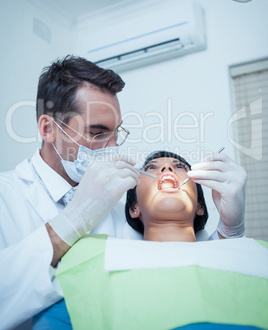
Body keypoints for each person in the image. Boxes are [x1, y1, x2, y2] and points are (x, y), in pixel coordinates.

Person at [0, 55, 247, 329]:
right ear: (48, 129)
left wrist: (230, 229)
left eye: (117, 133)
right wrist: (73, 220)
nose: (112, 147)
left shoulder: (123, 207)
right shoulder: (6, 196)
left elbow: (190, 274)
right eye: (97, 133)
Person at [125, 150, 209, 242]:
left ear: (200, 206)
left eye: (180, 167)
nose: (166, 167)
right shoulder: (110, 251)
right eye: (151, 167)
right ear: (134, 207)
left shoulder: (222, 252)